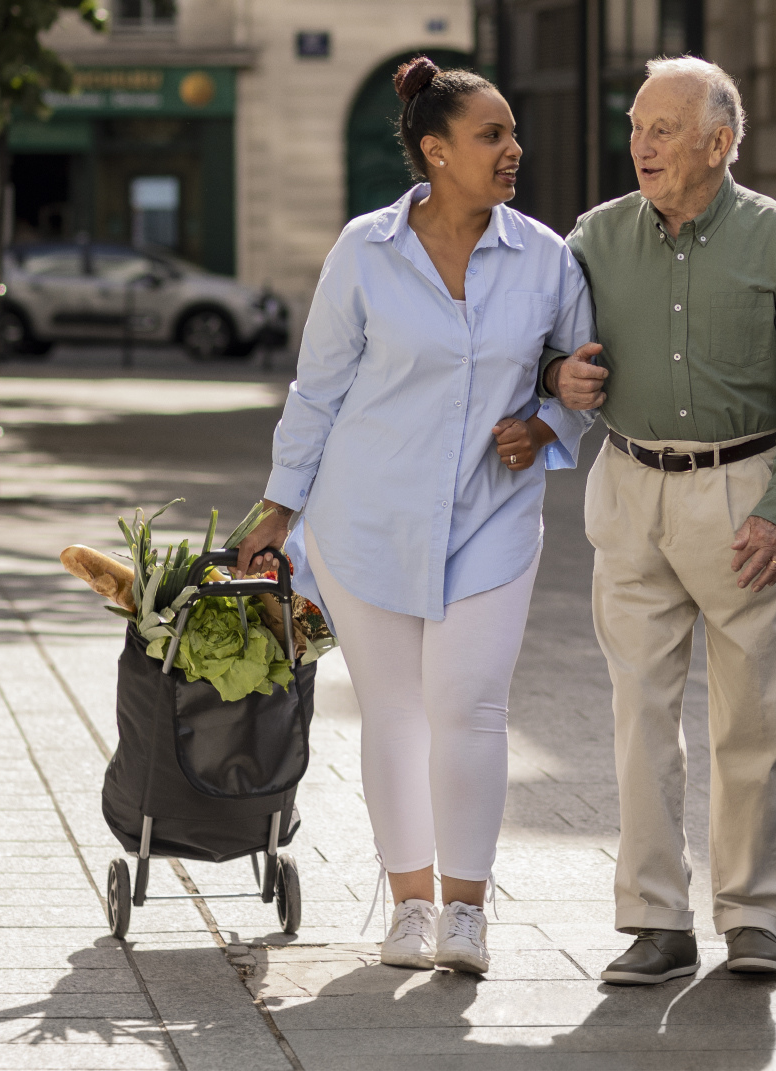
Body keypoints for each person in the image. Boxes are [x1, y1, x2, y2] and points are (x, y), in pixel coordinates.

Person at [238, 57, 596, 975]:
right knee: (395, 713)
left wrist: (544, 426)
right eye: (491, 135)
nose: (514, 149)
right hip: (366, 516)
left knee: (469, 704)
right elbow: (318, 387)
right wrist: (277, 509)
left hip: (492, 515)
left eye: (513, 133)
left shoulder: (548, 258)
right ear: (436, 151)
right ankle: (408, 905)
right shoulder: (365, 249)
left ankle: (465, 912)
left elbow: (582, 375)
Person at [544, 56, 776, 983]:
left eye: (662, 129)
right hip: (629, 485)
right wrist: (557, 375)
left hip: (742, 493)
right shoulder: (594, 237)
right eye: (636, 127)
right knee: (638, 715)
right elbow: (536, 343)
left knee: (755, 716)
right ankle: (655, 921)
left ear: (718, 144)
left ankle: (751, 915)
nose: (640, 145)